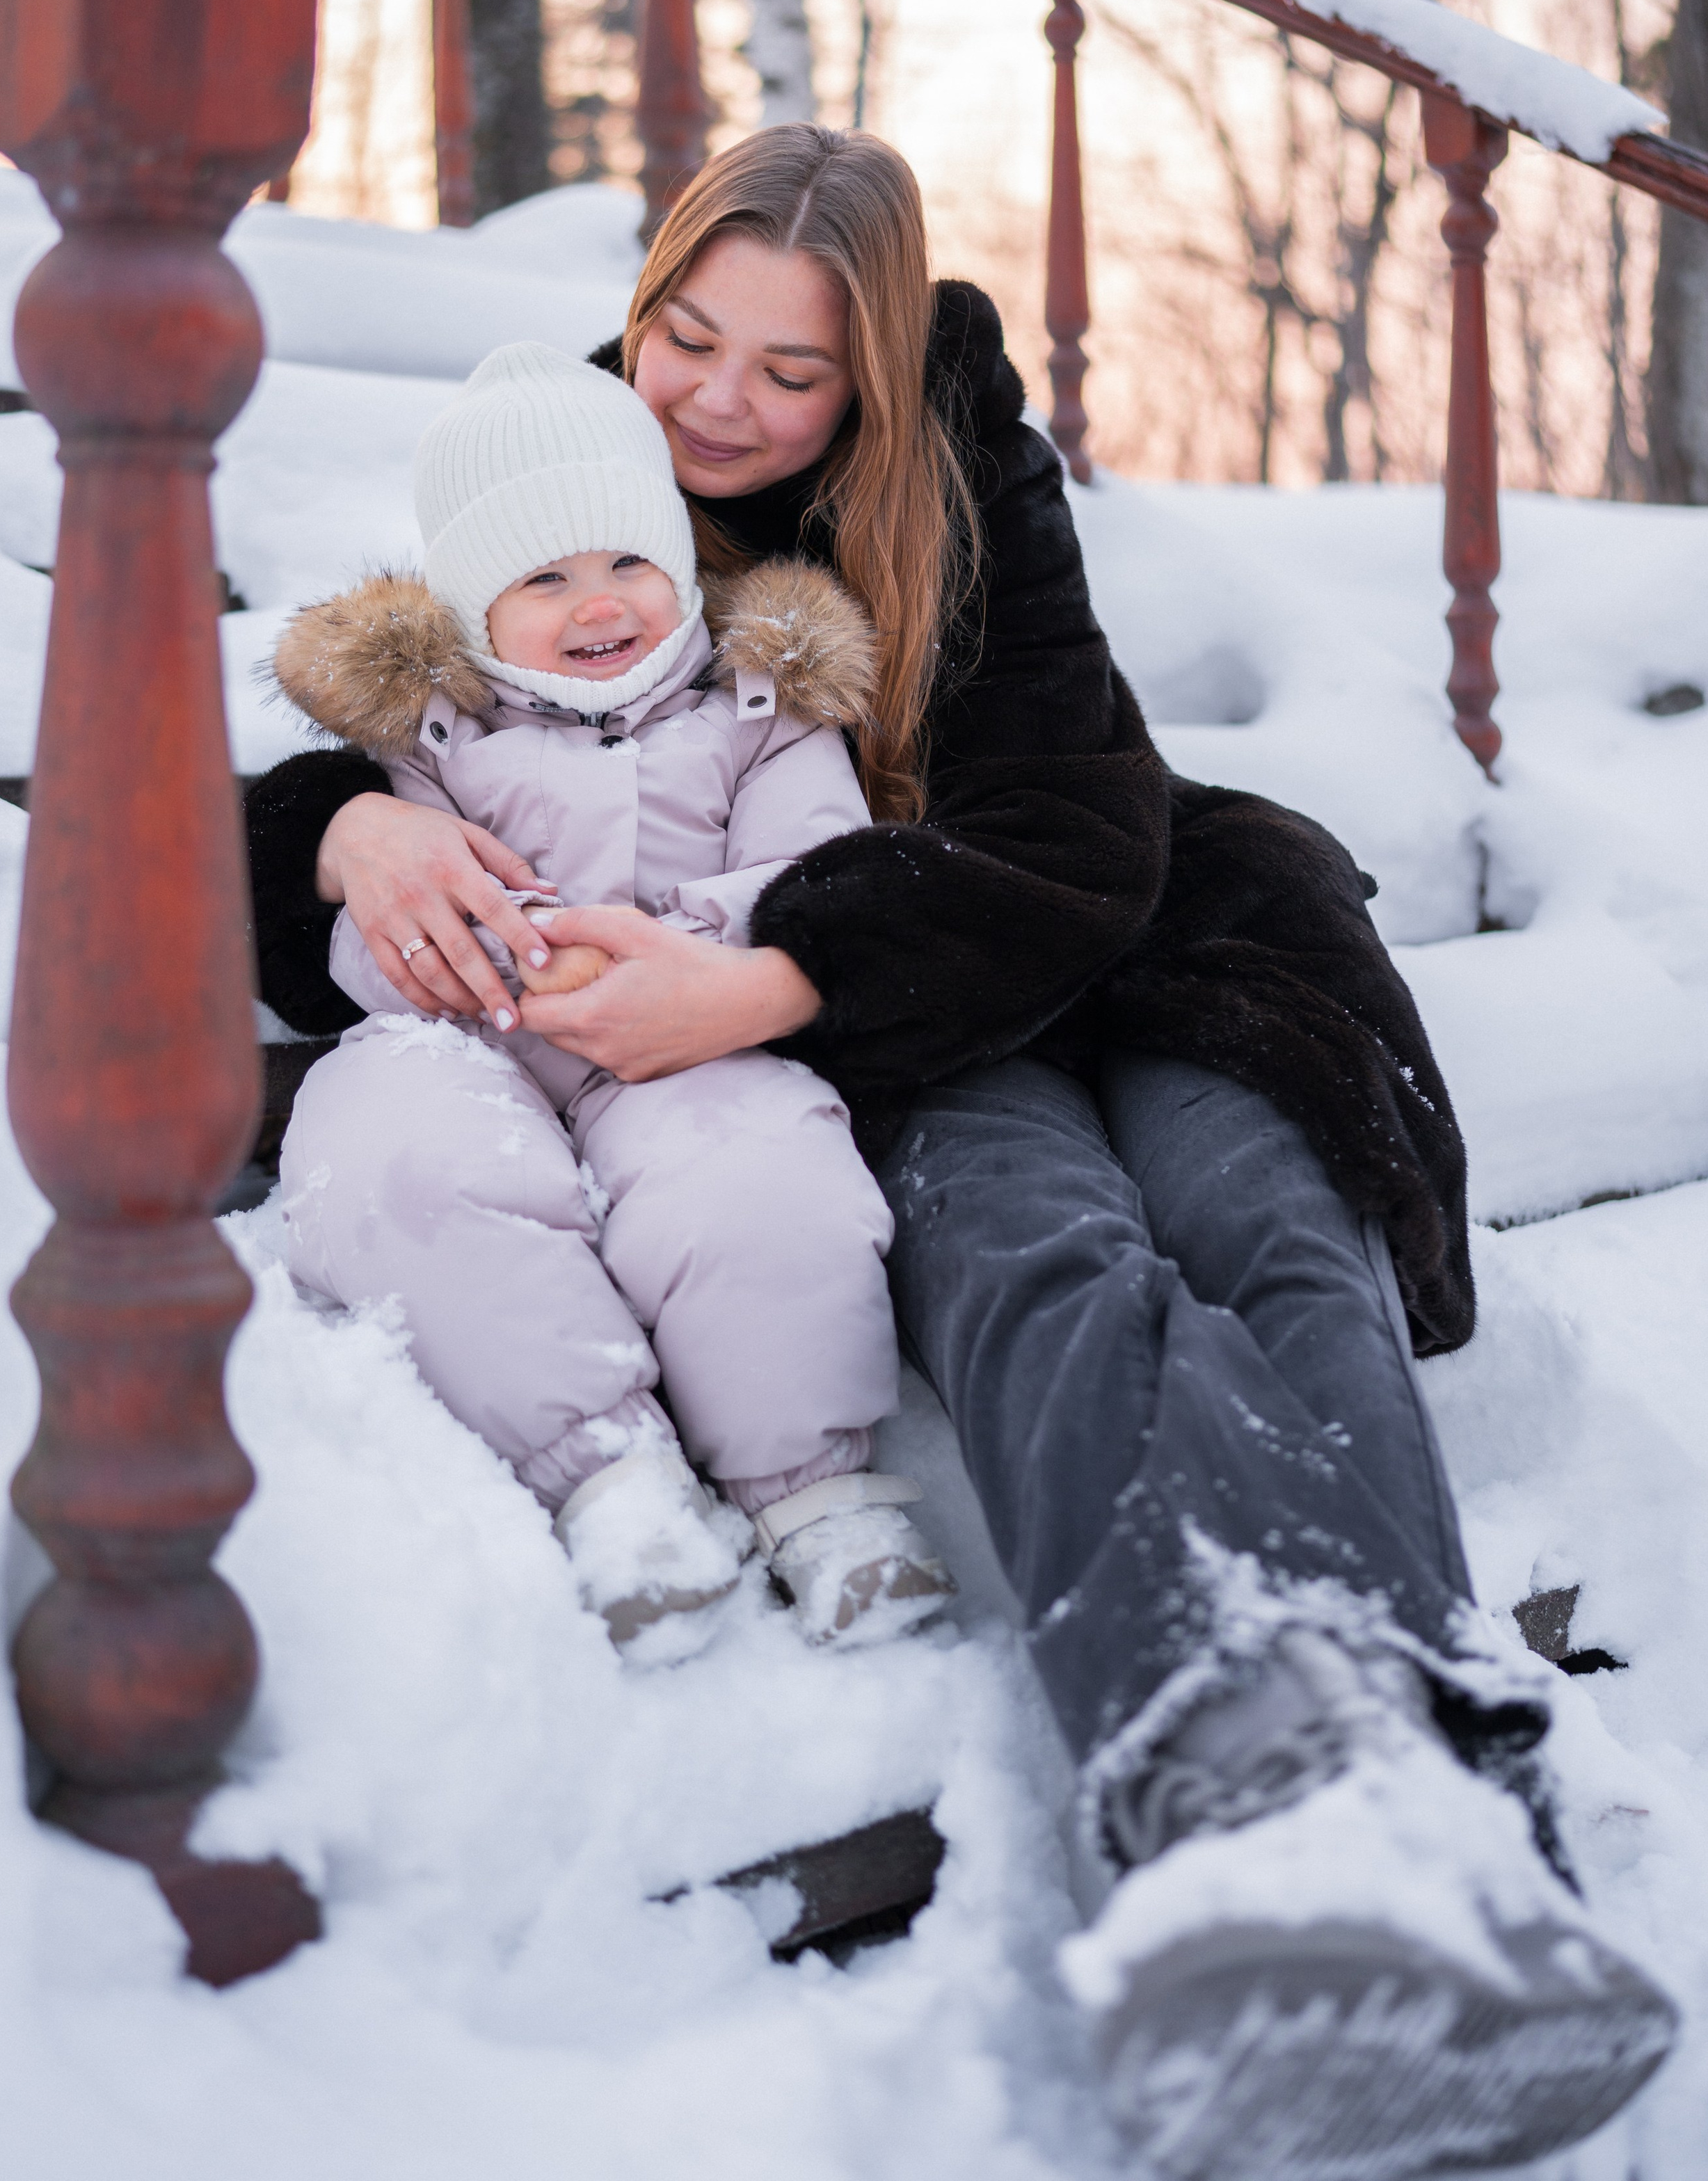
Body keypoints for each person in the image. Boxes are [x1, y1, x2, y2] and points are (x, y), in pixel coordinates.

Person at [245, 125, 1675, 2174]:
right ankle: (1262, 1824)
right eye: (689, 336)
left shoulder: (969, 480)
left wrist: (751, 987)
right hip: (926, 1035)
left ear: (877, 372)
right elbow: (380, 736)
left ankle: (1439, 1822)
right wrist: (344, 828)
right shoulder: (572, 491)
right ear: (638, 312)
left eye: (792, 369)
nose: (721, 401)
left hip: (1135, 949)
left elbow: (1082, 843)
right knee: (1048, 1257)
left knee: (1272, 1236)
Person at [271, 343, 955, 1659]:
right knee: (392, 1156)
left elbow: (817, 880)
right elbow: (380, 921)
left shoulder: (764, 713)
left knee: (758, 1178)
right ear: (475, 608)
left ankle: (812, 1494)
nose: (600, 603)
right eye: (545, 577)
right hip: (481, 1034)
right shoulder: (426, 740)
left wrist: (663, 944)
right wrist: (488, 952)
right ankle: (611, 1480)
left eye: (628, 562)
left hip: (690, 1035)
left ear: (681, 569)